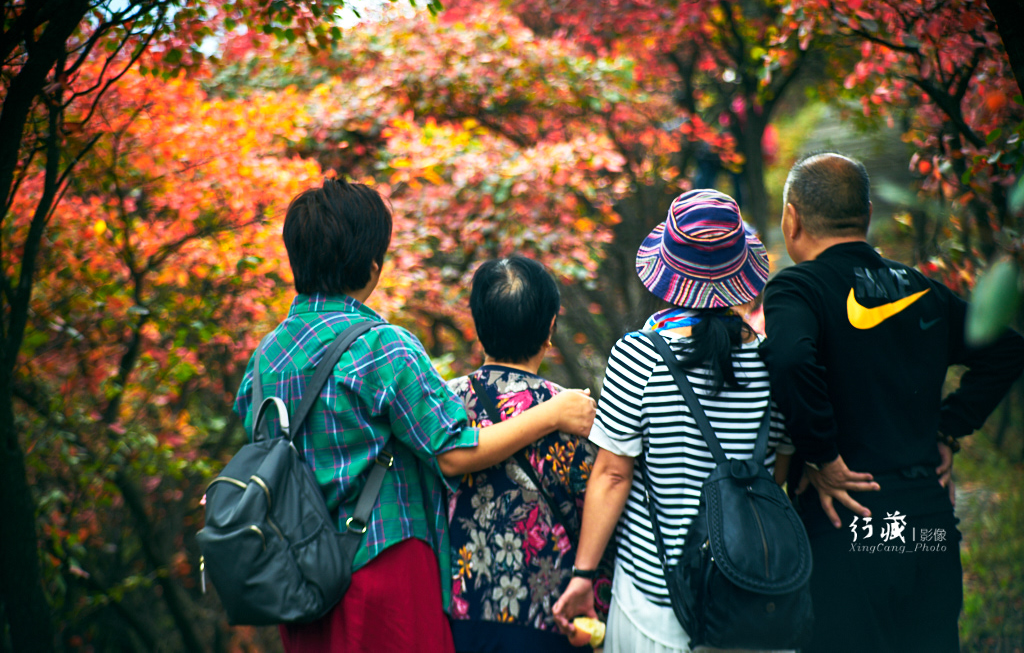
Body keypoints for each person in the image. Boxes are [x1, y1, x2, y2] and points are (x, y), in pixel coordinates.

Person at [233, 178, 596, 653]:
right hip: (383, 568)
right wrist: (553, 413)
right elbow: (455, 452)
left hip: (301, 579)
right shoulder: (382, 346)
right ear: (371, 264)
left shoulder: (264, 359)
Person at [760, 152, 1024, 653]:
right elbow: (1008, 350)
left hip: (850, 523)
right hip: (927, 522)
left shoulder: (800, 288)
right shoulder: (921, 288)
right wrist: (949, 427)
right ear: (865, 216)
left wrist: (823, 455)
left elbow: (790, 361)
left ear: (791, 218)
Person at [552, 189, 793, 652]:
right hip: (753, 597)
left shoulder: (639, 356)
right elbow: (778, 473)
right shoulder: (770, 362)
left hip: (655, 604)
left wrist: (584, 574)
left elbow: (613, 474)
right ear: (741, 274)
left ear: (669, 274)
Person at [446, 256, 607, 653]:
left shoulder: (441, 405)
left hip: (456, 615)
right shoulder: (573, 412)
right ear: (550, 327)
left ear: (479, 325)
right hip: (549, 615)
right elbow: (600, 506)